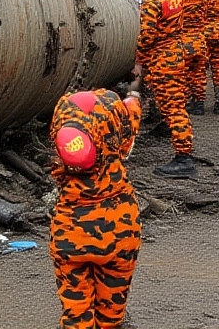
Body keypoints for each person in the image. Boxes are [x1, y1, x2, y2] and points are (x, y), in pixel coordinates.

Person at [48, 89, 143, 328]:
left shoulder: (63, 116)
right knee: (112, 309)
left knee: (75, 309)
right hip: (120, 229)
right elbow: (130, 124)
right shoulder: (114, 117)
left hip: (69, 231)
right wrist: (133, 97)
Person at [134, 0, 195, 178]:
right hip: (177, 54)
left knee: (173, 108)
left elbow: (147, 37)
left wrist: (139, 61)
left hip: (162, 60)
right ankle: (183, 152)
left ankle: (184, 158)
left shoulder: (153, 1)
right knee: (176, 105)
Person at [174, 0, 211, 116]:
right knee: (199, 73)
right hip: (199, 40)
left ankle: (186, 102)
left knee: (182, 74)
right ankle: (199, 103)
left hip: (181, 41)